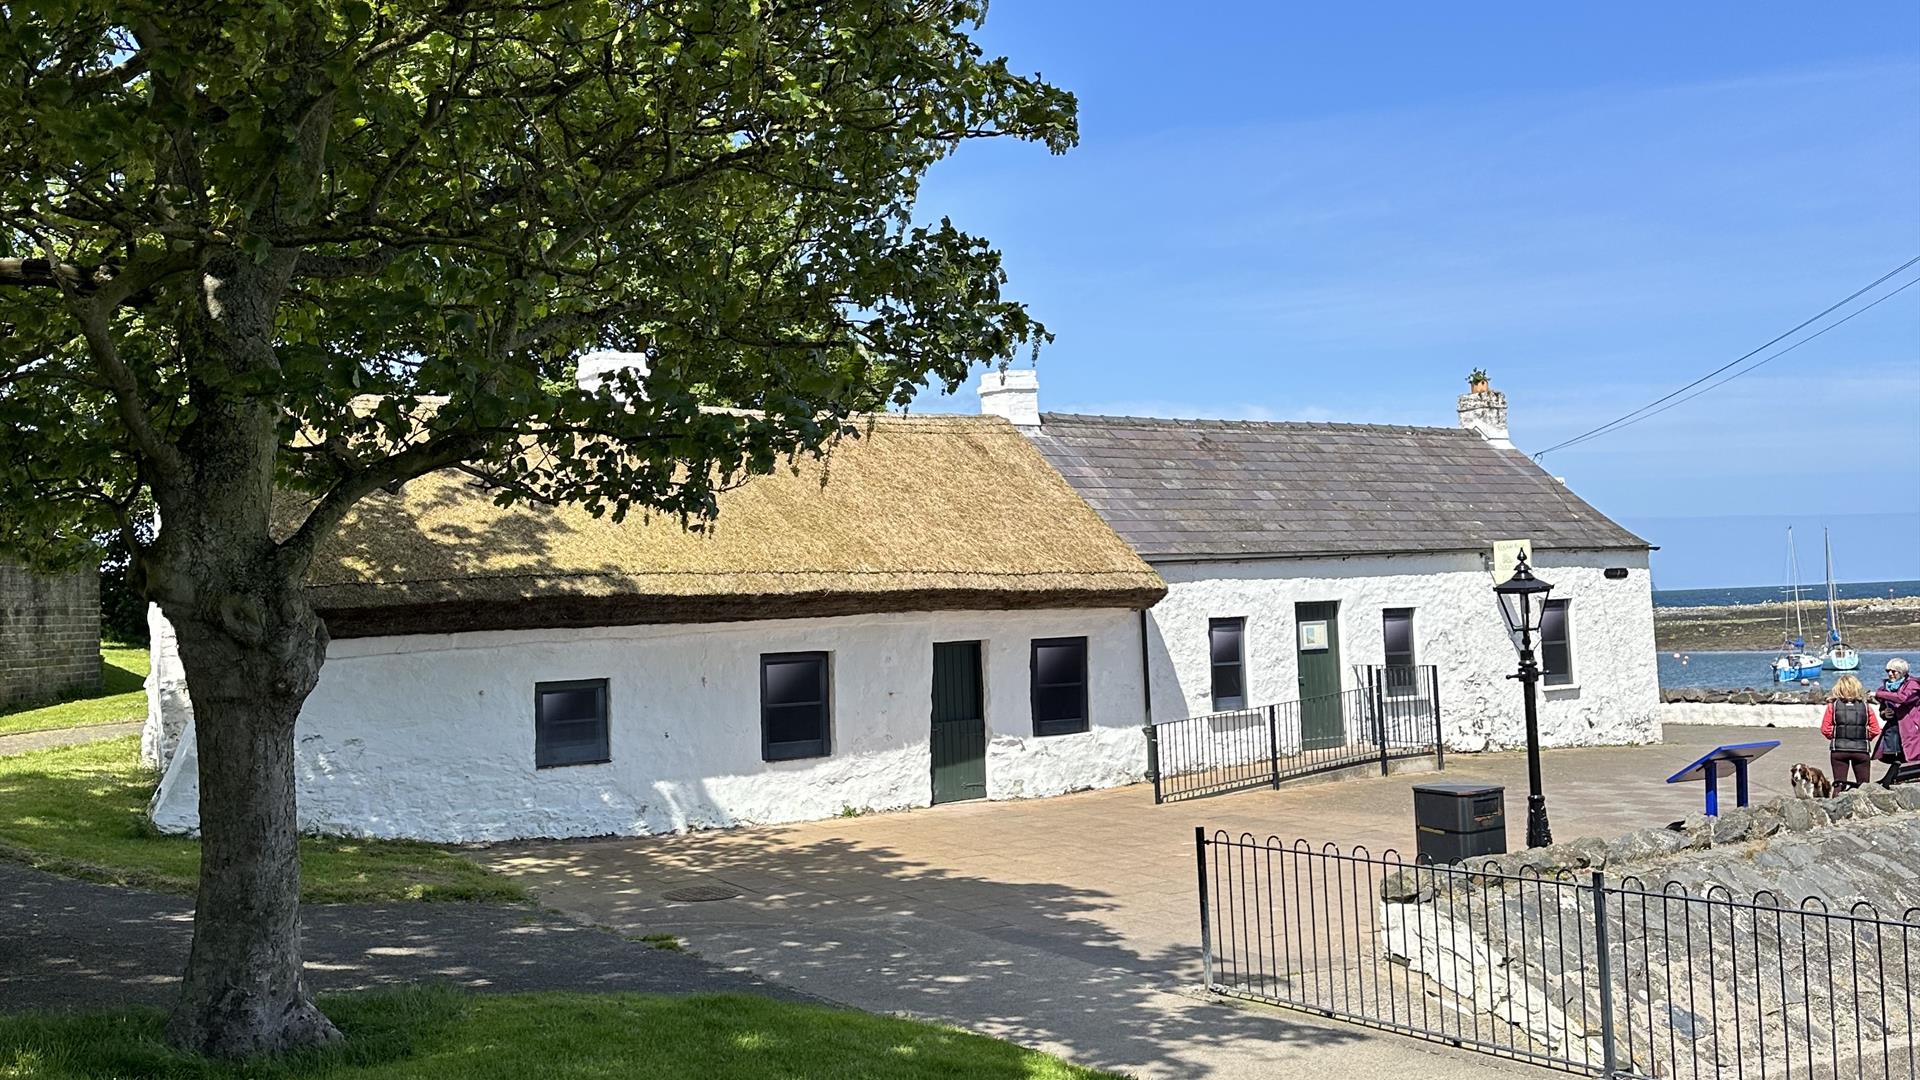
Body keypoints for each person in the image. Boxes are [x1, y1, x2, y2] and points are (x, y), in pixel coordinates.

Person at [1820, 674, 1879, 791]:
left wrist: (1838, 734)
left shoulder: (1832, 706)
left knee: (1839, 784)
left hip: (1839, 750)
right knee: (1864, 786)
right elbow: (1875, 729)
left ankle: (1835, 807)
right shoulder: (1866, 707)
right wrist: (1863, 736)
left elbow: (1825, 729)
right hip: (1861, 750)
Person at [1871, 658, 1920, 785]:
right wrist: (1884, 714)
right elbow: (1882, 708)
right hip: (1893, 729)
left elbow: (1903, 698)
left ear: (1902, 672)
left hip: (1911, 729)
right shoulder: (1884, 688)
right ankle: (1892, 781)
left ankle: (1893, 781)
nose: (1890, 674)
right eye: (1888, 671)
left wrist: (1879, 694)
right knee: (1894, 756)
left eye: (1894, 671)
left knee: (1910, 757)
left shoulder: (1913, 685)